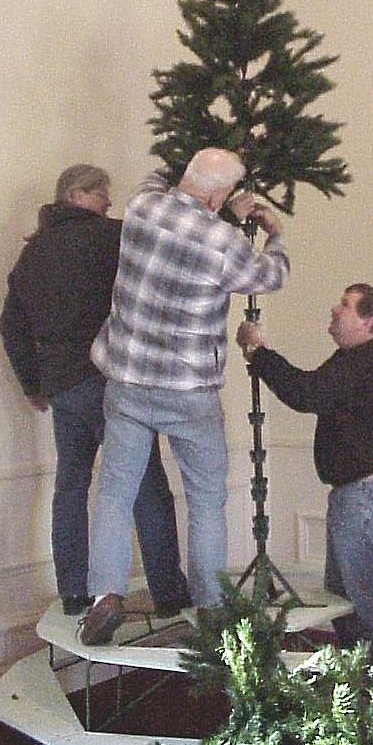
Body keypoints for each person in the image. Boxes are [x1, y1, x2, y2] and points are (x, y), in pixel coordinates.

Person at [80, 148, 290, 645]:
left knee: (115, 491)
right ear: (218, 199)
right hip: (190, 390)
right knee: (206, 501)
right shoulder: (224, 242)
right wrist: (275, 234)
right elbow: (270, 277)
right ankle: (211, 610)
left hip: (128, 380)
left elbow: (163, 181)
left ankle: (105, 595)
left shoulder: (142, 206)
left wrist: (214, 195)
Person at [0, 164, 190, 617]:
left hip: (61, 389)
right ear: (77, 194)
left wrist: (32, 385)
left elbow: (10, 326)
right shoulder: (112, 237)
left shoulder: (32, 254)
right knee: (146, 485)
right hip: (109, 382)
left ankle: (73, 593)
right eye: (102, 193)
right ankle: (169, 593)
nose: (108, 201)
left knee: (71, 487)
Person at [235, 284, 373, 712]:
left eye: (345, 304)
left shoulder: (369, 359)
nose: (334, 309)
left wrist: (260, 352)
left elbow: (307, 393)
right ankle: (364, 691)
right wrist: (261, 356)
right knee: (347, 607)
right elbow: (310, 390)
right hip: (357, 498)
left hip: (366, 499)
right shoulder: (354, 359)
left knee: (369, 608)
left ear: (368, 321)